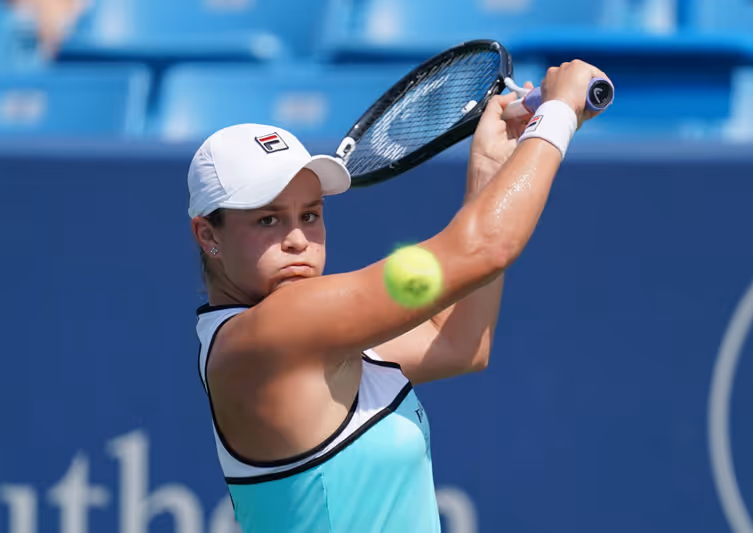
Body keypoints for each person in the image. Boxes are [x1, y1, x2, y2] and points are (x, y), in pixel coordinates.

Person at [189, 60, 609, 533]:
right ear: (208, 235)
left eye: (309, 215)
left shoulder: (299, 337)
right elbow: (485, 248)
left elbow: (459, 343)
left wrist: (491, 169)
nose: (298, 240)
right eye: (268, 220)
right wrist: (558, 112)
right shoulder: (273, 329)